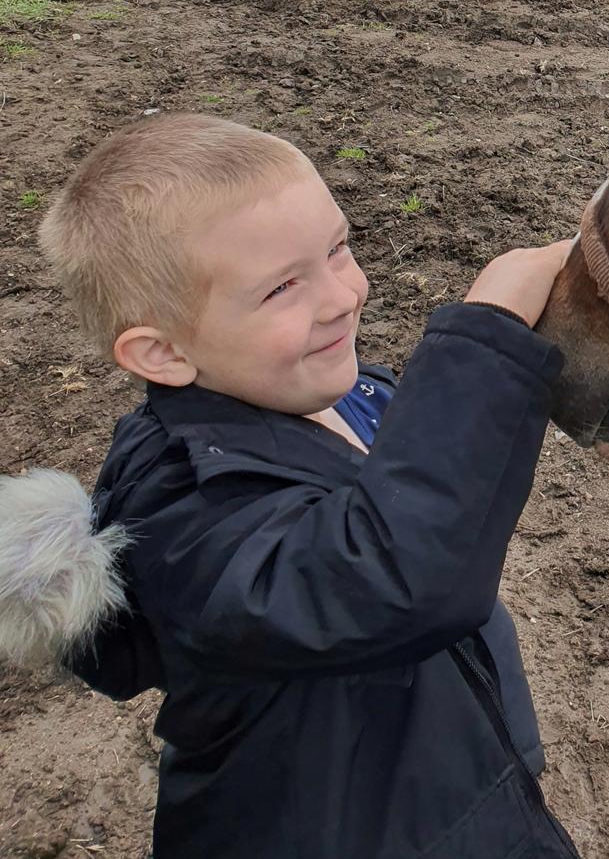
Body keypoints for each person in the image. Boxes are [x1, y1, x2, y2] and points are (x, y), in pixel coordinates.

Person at [0, 113, 579, 859]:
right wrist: (485, 337)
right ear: (163, 352)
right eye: (281, 288)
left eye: (337, 246)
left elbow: (437, 498)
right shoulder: (184, 523)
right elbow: (398, 578)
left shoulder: (341, 394)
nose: (342, 295)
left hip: (448, 780)